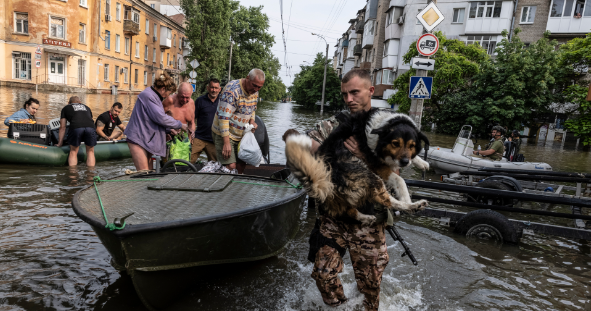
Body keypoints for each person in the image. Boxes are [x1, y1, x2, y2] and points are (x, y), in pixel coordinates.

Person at [284, 69, 389, 311]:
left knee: (369, 290)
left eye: (355, 92)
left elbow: (394, 175)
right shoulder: (332, 125)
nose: (349, 99)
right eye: (345, 94)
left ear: (371, 91)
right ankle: (341, 307)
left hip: (368, 220)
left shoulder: (387, 129)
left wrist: (364, 155)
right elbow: (306, 144)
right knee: (323, 275)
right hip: (333, 218)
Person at [124, 72, 187, 171]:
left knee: (150, 172)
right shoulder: (148, 95)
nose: (168, 96)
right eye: (169, 93)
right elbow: (160, 118)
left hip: (145, 138)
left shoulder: (153, 95)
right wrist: (179, 125)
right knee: (144, 174)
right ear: (163, 89)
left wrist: (168, 130)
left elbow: (151, 118)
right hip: (137, 139)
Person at [211, 69, 264, 174]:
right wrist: (226, 143)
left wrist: (252, 121)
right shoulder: (232, 90)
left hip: (241, 134)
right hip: (226, 133)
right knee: (230, 166)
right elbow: (223, 118)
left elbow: (252, 109)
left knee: (241, 165)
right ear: (247, 78)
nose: (256, 89)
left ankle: (235, 188)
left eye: (259, 87)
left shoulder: (255, 92)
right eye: (254, 85)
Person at [56, 96, 97, 167]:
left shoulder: (66, 108)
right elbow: (89, 119)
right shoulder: (87, 107)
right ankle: (90, 175)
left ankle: (73, 175)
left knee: (73, 151)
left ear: (68, 103)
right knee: (90, 152)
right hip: (91, 127)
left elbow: (62, 127)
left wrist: (60, 143)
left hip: (76, 127)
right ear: (80, 102)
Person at [191, 78, 221, 163]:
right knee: (187, 161)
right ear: (208, 88)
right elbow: (193, 118)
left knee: (215, 164)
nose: (213, 90)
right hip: (199, 137)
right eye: (212, 87)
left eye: (216, 88)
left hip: (214, 140)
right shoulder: (200, 101)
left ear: (219, 89)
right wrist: (191, 133)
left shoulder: (223, 102)